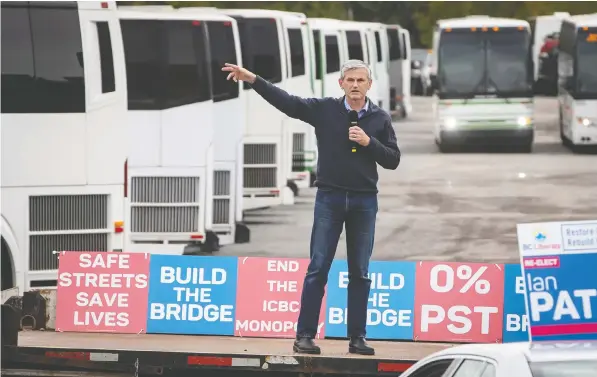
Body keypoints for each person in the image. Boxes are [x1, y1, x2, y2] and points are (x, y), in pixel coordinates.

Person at [222, 60, 401, 356]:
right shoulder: (325, 109)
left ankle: (357, 338)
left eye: (360, 80)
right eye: (350, 80)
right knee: (318, 268)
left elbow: (393, 159)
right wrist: (253, 79)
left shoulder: (380, 118)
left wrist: (369, 142)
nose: (355, 85)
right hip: (329, 197)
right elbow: (288, 103)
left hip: (364, 201)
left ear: (369, 84)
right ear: (340, 84)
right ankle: (304, 336)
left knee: (361, 272)